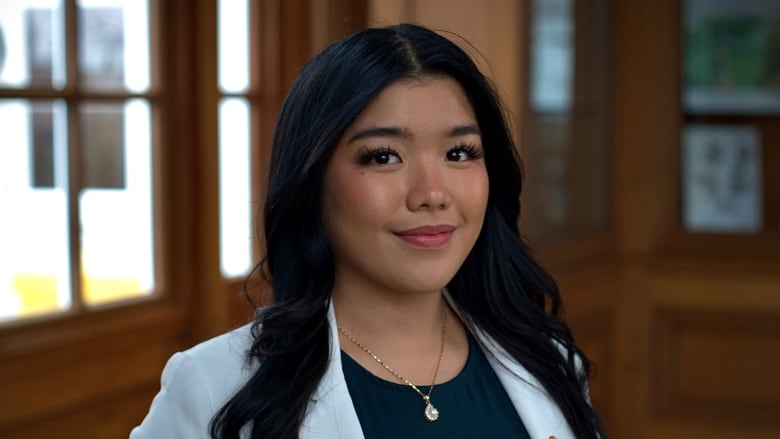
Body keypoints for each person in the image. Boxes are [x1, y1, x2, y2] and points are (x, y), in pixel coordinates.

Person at [131, 23, 605, 439]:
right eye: (383, 156)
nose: (432, 194)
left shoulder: (550, 362)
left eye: (459, 153)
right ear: (311, 178)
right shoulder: (215, 387)